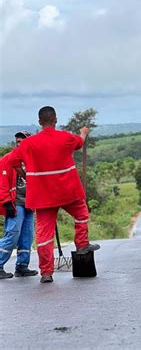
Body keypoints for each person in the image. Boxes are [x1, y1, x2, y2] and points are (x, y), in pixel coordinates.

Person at [7, 106, 100, 283]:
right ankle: (82, 245)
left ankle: (47, 272)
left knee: (44, 233)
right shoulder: (65, 137)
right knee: (81, 214)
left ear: (40, 122)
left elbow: (12, 161)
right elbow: (79, 143)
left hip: (42, 196)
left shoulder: (28, 143)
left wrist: (24, 174)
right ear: (55, 120)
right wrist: (83, 132)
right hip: (67, 191)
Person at [0, 131, 38, 279]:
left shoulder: (33, 160)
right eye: (18, 141)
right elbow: (2, 183)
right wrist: (6, 202)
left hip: (30, 203)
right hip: (15, 203)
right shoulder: (7, 159)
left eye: (22, 141)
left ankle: (22, 266)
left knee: (27, 236)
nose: (19, 143)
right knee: (12, 234)